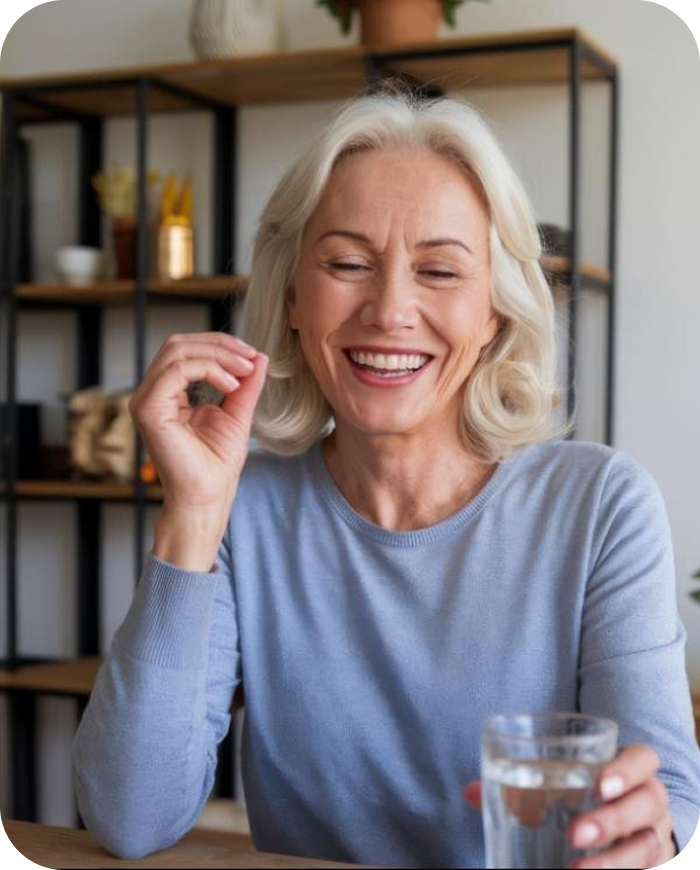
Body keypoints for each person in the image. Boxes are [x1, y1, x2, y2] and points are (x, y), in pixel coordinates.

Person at [71, 79, 700, 867]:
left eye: (440, 272)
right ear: (292, 296)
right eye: (347, 263)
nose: (389, 309)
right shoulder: (242, 510)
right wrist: (193, 512)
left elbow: (667, 797)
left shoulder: (602, 506)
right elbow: (129, 816)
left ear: (495, 311)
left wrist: (648, 835)